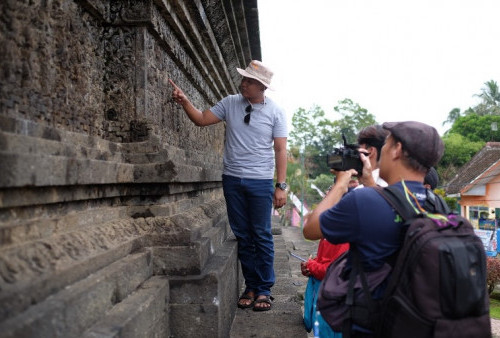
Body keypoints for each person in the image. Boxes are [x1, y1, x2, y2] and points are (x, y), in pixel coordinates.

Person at [303, 121, 444, 336]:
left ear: (396, 150)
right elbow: (393, 204)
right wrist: (368, 179)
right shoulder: (437, 204)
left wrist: (341, 183)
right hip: (415, 319)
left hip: (370, 321)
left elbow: (311, 230)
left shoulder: (364, 201)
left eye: (385, 146)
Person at [169, 60, 288, 311]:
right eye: (243, 79)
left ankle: (265, 289)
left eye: (249, 81)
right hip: (232, 179)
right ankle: (251, 286)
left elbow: (280, 149)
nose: (243, 83)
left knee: (262, 234)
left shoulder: (276, 112)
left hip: (260, 180)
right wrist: (185, 101)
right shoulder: (230, 102)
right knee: (243, 235)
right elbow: (202, 119)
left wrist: (282, 185)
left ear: (262, 87)